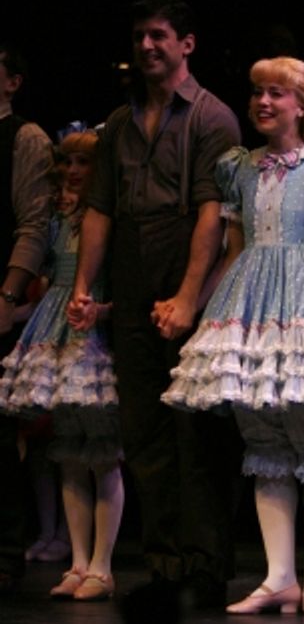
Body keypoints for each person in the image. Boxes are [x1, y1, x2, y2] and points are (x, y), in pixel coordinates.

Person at [159, 57, 304, 615]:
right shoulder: (240, 166)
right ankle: (279, 575)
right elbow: (235, 246)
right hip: (251, 296)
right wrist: (210, 308)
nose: (263, 103)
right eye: (258, 94)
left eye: (277, 94)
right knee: (264, 437)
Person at [68, 0, 241, 607]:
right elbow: (100, 208)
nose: (146, 46)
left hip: (185, 261)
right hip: (132, 267)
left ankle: (204, 562)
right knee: (143, 428)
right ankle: (167, 562)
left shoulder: (211, 117)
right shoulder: (119, 122)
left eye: (159, 35)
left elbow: (212, 215)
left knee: (192, 431)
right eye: (139, 35)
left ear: (186, 43)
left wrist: (189, 296)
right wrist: (85, 287)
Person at [0, 130, 125, 601]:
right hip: (55, 329)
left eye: (83, 163)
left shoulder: (110, 220)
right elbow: (49, 276)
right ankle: (76, 561)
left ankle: (102, 565)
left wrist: (101, 311)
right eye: (67, 161)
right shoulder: (58, 218)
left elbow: (121, 287)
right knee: (69, 451)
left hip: (91, 335)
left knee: (102, 451)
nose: (73, 170)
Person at [0, 43, 55, 593]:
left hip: (2, 290)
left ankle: (6, 550)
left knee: (2, 432)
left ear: (13, 82)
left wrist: (9, 292)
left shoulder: (24, 137)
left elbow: (33, 221)